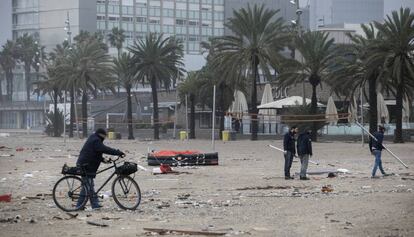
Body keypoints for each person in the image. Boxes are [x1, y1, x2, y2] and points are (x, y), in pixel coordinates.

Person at [76, 128, 125, 209]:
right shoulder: (96, 140)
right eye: (104, 136)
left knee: (90, 186)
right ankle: (79, 205)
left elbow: (94, 153)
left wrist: (103, 160)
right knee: (87, 187)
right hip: (86, 165)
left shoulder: (93, 138)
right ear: (101, 135)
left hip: (86, 164)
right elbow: (104, 149)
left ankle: (95, 205)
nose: (104, 138)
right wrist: (118, 152)